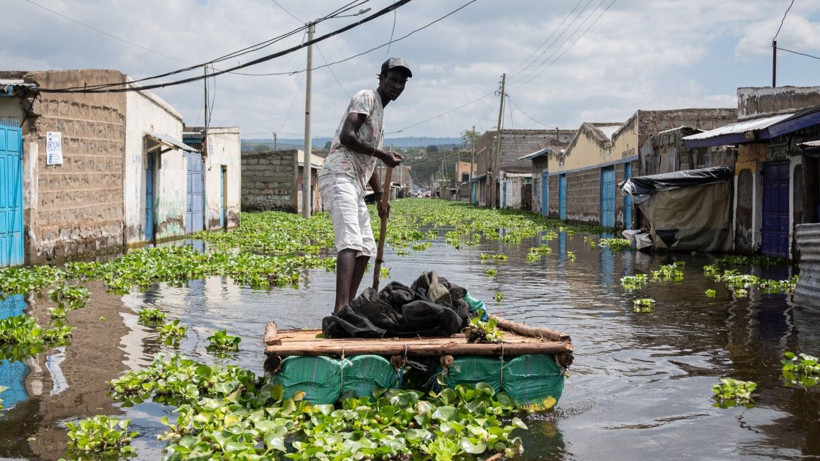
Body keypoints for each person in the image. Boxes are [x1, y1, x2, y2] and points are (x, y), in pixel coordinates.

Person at [318, 57, 411, 314]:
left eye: (402, 82)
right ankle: (341, 309)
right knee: (350, 242)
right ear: (381, 79)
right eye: (393, 79)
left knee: (366, 246)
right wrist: (382, 155)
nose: (397, 85)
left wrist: (380, 195)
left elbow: (368, 160)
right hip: (338, 174)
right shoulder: (367, 97)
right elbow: (347, 136)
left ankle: (348, 306)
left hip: (355, 183)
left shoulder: (380, 113)